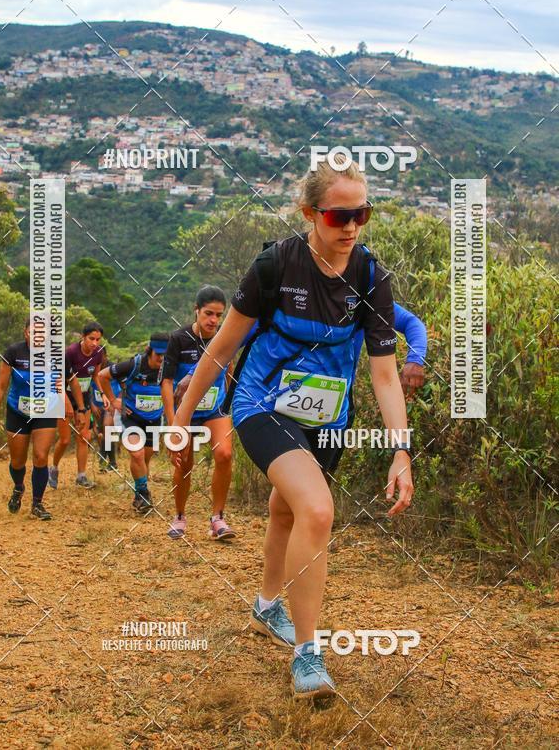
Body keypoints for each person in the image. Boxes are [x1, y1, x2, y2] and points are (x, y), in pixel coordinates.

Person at [172, 154, 413, 699]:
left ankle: (265, 606)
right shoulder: (275, 266)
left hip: (328, 417)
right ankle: (308, 655)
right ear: (309, 213)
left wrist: (401, 450)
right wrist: (181, 420)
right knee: (318, 509)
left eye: (361, 214)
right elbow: (222, 347)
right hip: (262, 403)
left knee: (287, 510)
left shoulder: (371, 277)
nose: (351, 227)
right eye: (338, 216)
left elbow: (383, 374)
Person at [161, 286, 235, 541]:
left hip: (215, 410)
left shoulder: (224, 336)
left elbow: (229, 370)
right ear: (197, 310)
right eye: (208, 313)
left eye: (219, 315)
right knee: (184, 462)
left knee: (225, 454)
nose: (213, 320)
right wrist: (173, 424)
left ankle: (217, 518)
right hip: (186, 413)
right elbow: (167, 382)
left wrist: (229, 402)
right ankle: (180, 516)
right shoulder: (179, 339)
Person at [327, 301, 427, 476]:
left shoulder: (362, 296)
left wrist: (415, 359)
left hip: (339, 399)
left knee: (321, 474)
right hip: (289, 389)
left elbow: (412, 323)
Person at [0, 319, 57, 520]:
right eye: (33, 332)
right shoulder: (13, 352)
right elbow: (1, 386)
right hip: (17, 411)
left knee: (41, 456)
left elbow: (62, 382)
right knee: (18, 461)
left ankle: (37, 504)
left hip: (45, 410)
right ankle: (18, 487)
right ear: (26, 333)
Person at [98, 334, 169, 513]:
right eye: (158, 354)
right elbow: (102, 375)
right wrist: (113, 400)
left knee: (145, 458)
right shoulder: (134, 365)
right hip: (130, 417)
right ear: (150, 351)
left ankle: (140, 492)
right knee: (137, 454)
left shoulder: (170, 367)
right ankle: (143, 494)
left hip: (154, 419)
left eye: (165, 354)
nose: (161, 358)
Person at [49, 321, 107, 490]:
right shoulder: (70, 353)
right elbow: (59, 380)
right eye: (91, 339)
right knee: (65, 439)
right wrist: (66, 404)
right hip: (65, 398)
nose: (95, 343)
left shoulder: (98, 353)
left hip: (84, 397)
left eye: (98, 339)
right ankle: (53, 468)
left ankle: (81, 476)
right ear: (83, 337)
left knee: (84, 437)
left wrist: (102, 394)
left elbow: (95, 376)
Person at [91, 372, 121, 472]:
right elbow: (87, 391)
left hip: (111, 406)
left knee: (107, 428)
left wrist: (115, 402)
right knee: (102, 434)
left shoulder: (115, 372)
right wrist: (92, 405)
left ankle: (104, 459)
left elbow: (123, 389)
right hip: (98, 408)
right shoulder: (93, 373)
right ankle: (111, 462)